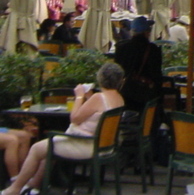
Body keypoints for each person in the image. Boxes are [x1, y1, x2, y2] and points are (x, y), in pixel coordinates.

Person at [0, 62, 125, 195]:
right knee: (49, 146)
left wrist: (79, 96)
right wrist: (88, 98)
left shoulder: (98, 97)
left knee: (37, 148)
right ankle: (33, 186)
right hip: (104, 146)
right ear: (121, 81)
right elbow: (95, 113)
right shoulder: (118, 98)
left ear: (100, 78)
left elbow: (75, 118)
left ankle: (15, 189)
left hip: (85, 145)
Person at [112, 15, 164, 112]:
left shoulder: (122, 48)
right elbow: (156, 74)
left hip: (125, 93)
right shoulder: (153, 49)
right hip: (146, 96)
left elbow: (117, 71)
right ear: (146, 32)